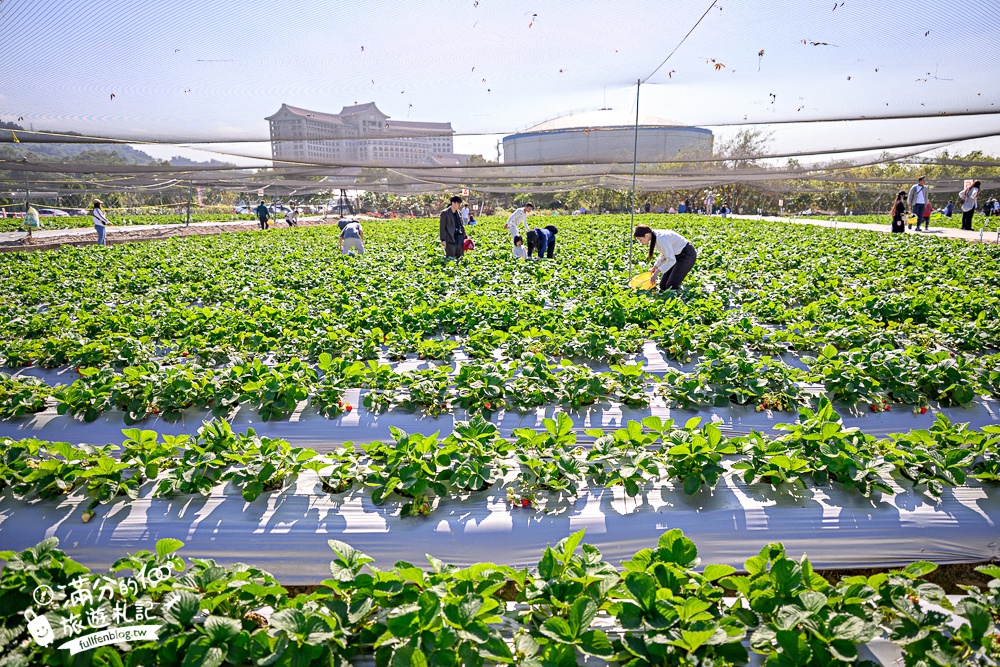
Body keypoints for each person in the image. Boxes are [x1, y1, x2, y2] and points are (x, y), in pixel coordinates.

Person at [633, 225, 697, 291]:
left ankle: (676, 298)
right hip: (675, 255)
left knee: (671, 286)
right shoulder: (654, 237)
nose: (641, 242)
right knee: (663, 286)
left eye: (641, 240)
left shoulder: (661, 239)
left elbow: (671, 260)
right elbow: (664, 254)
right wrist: (656, 266)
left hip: (687, 255)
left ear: (646, 235)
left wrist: (657, 272)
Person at [439, 195, 466, 259]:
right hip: (450, 239)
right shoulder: (445, 213)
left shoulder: (459, 213)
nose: (459, 205)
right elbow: (442, 227)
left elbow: (461, 225)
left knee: (460, 257)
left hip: (459, 238)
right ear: (453, 203)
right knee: (450, 258)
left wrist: (465, 237)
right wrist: (443, 240)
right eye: (458, 203)